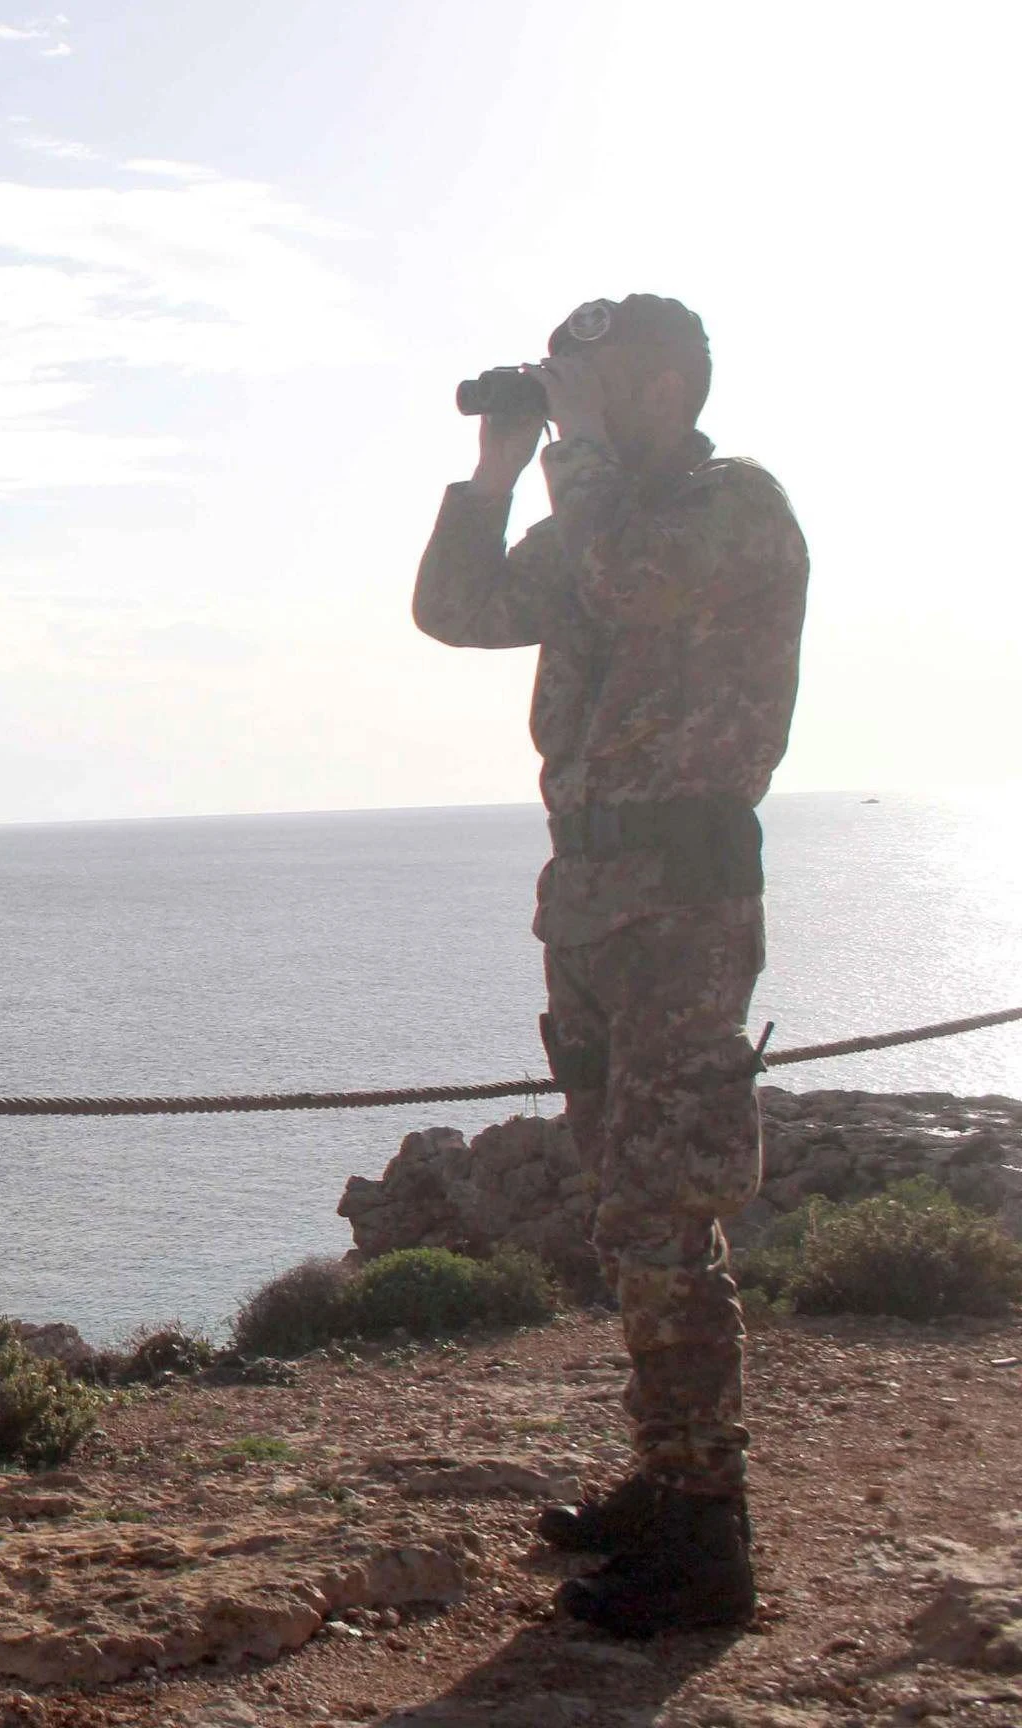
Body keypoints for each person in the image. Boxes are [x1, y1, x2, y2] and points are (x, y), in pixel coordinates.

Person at [411, 294, 811, 1635]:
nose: (569, 406)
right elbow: (457, 610)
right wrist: (496, 469)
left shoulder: (729, 507)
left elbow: (636, 576)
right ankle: (670, 1480)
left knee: (661, 1215)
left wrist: (570, 455)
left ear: (666, 388)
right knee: (627, 1210)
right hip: (585, 899)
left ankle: (708, 1540)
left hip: (681, 904)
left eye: (591, 386)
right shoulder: (589, 528)